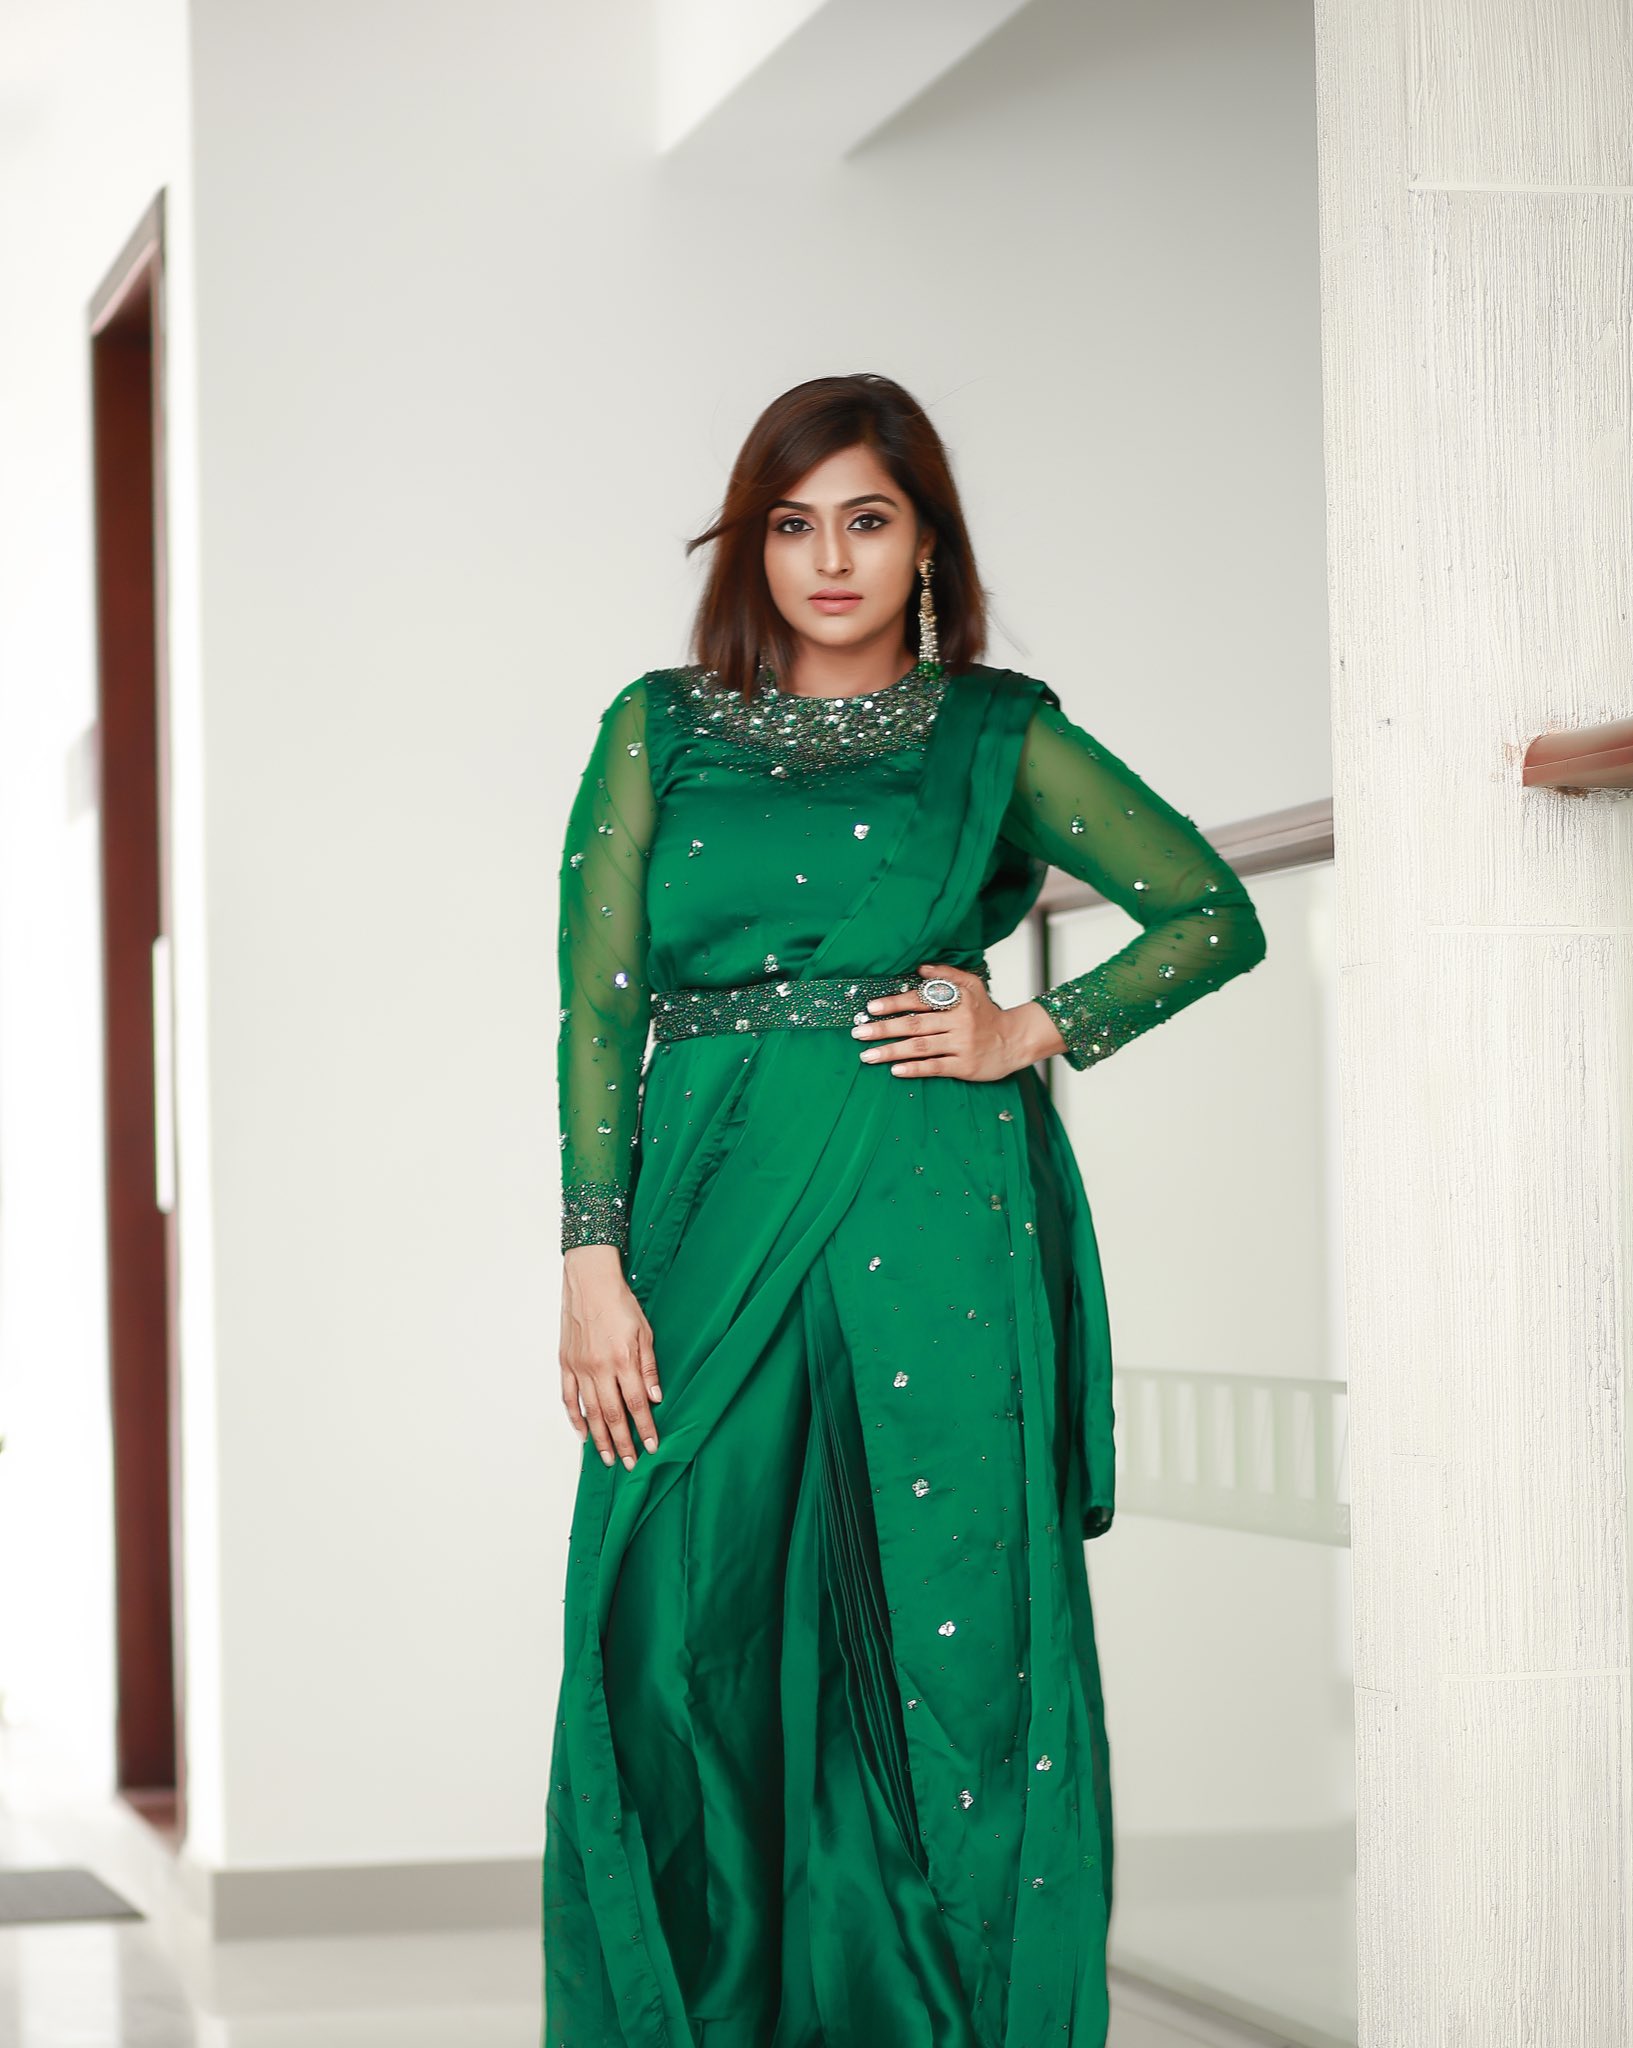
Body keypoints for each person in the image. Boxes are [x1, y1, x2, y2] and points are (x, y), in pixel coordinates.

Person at [542, 372, 1268, 2048]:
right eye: (792, 526)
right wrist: (591, 1254)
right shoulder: (657, 728)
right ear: (753, 549)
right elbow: (597, 1002)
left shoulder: (990, 734)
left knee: (950, 1641)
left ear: (924, 542)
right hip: (707, 1214)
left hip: (934, 1210)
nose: (828, 561)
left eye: (865, 521)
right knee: (668, 1630)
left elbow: (1206, 912)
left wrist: (1032, 1028)